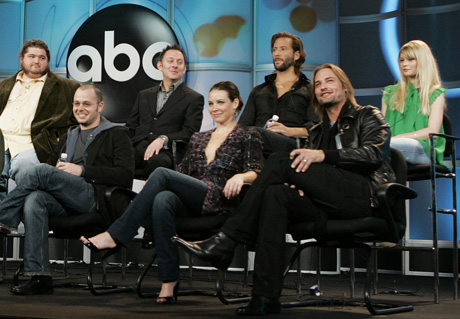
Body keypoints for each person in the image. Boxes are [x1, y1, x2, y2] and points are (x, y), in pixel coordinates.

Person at [173, 64, 395, 316]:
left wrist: (324, 154)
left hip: (361, 195)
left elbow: (374, 155)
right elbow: (307, 170)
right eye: (319, 84)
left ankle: (227, 239)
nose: (323, 86)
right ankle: (264, 298)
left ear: (344, 87)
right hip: (324, 202)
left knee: (280, 159)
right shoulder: (318, 128)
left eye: (329, 81)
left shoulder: (368, 114)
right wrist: (297, 181)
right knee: (274, 194)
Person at [81, 81, 263, 305]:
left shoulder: (248, 134)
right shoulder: (199, 138)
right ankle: (169, 280)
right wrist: (157, 184)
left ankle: (116, 235)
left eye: (221, 102)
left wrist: (241, 177)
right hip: (194, 197)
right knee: (162, 198)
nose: (214, 108)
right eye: (211, 103)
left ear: (235, 103)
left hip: (222, 197)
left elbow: (258, 171)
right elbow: (183, 172)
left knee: (161, 174)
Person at [0, 84, 134, 295]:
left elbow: (125, 176)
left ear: (100, 106)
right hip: (65, 200)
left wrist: (82, 170)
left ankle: (4, 217)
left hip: (94, 199)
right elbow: (52, 170)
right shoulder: (68, 136)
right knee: (35, 198)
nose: (80, 108)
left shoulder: (116, 134)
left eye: (86, 104)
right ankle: (40, 277)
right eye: (77, 103)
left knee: (41, 171)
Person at [0, 39, 79, 186]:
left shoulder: (67, 87)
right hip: (2, 140)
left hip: (33, 144)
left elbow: (80, 120)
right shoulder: (4, 85)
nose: (37, 61)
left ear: (47, 61)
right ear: (22, 59)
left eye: (42, 58)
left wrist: (61, 139)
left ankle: (20, 208)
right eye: (31, 56)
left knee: (27, 170)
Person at [126, 44, 204, 179]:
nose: (175, 65)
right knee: (114, 157)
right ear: (160, 65)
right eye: (170, 61)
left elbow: (190, 132)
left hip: (167, 152)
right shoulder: (144, 95)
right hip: (139, 147)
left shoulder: (194, 98)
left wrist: (163, 139)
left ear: (184, 69)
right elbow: (131, 126)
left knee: (156, 162)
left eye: (179, 62)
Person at [238, 32, 319, 155]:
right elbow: (243, 127)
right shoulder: (259, 91)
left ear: (296, 55)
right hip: (258, 147)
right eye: (274, 49)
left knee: (256, 134)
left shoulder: (310, 90)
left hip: (292, 147)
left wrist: (288, 131)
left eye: (283, 49)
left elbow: (317, 128)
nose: (277, 53)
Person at [382, 40, 446, 165]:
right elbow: (383, 128)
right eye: (402, 60)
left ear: (423, 61)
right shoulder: (389, 93)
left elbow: (432, 132)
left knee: (385, 146)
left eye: (411, 59)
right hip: (392, 144)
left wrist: (399, 138)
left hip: (423, 147)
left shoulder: (435, 93)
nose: (404, 64)